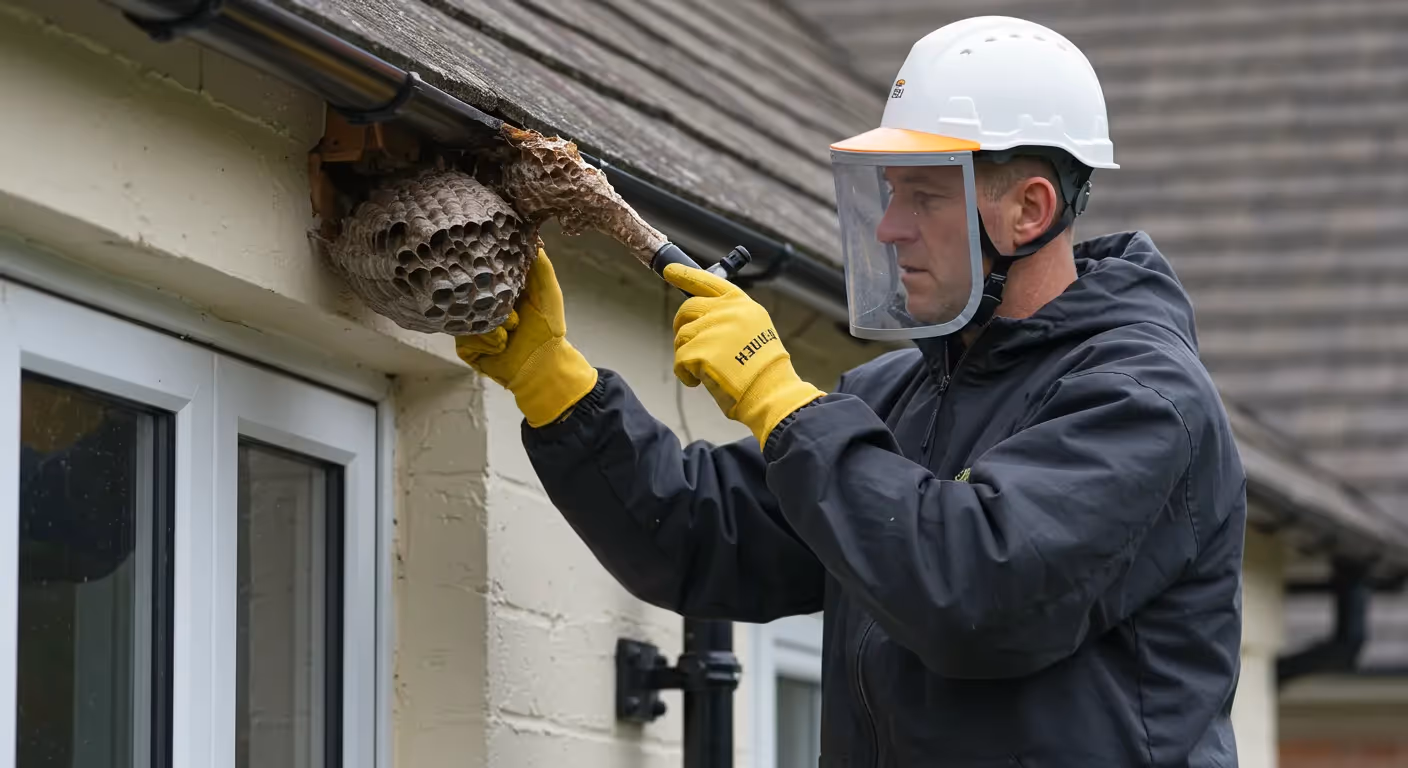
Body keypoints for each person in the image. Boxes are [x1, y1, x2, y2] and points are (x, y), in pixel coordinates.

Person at [457, 15, 1246, 767]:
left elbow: (977, 592)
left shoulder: (1141, 399)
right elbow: (701, 537)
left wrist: (781, 400)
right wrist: (552, 381)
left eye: (924, 196)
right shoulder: (898, 394)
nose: (889, 227)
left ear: (1029, 210)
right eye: (890, 191)